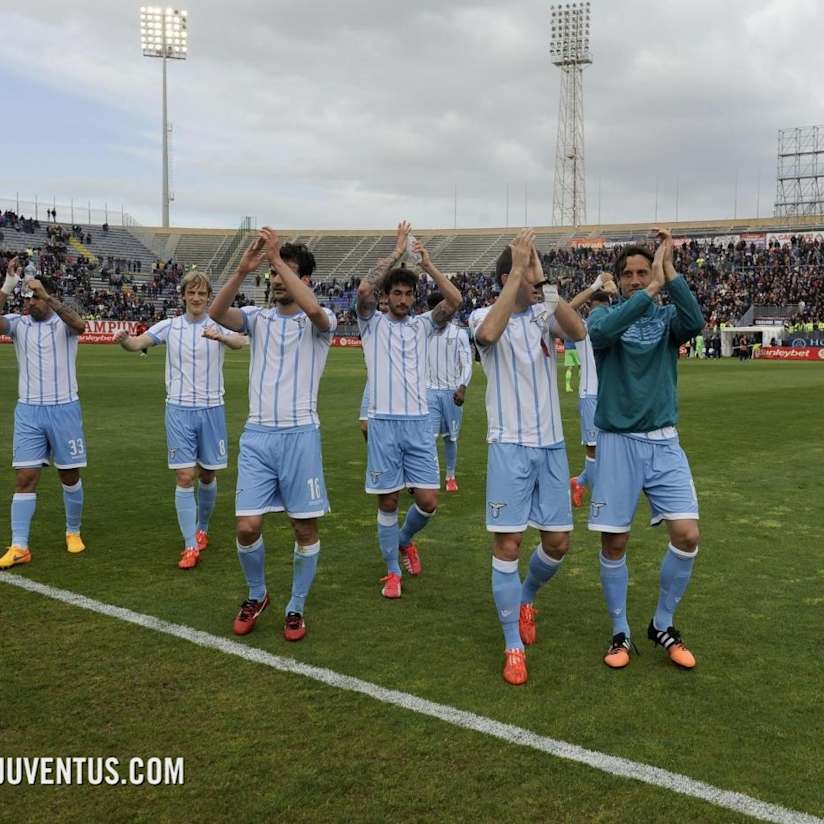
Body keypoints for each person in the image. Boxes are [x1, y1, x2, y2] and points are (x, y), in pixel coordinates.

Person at [469, 230, 586, 685]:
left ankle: (526, 597)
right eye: (526, 272)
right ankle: (512, 646)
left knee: (557, 544)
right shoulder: (485, 313)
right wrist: (517, 273)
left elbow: (578, 331)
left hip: (552, 445)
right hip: (508, 446)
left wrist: (544, 285)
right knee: (509, 545)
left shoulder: (544, 314)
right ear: (506, 276)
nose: (535, 283)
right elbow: (487, 334)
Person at [209, 228, 336, 642]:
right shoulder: (257, 318)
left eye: (288, 273)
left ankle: (296, 606)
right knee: (247, 528)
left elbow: (314, 309)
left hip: (300, 436)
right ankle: (257, 594)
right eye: (275, 274)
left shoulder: (322, 322)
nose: (278, 279)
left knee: (304, 530)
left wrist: (278, 257)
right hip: (258, 436)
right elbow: (215, 313)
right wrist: (244, 269)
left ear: (304, 279)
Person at [587, 228, 705, 670]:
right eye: (630, 274)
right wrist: (652, 289)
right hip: (617, 442)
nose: (638, 279)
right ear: (619, 281)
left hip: (663, 440)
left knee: (687, 534)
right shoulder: (604, 318)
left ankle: (662, 623)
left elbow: (695, 321)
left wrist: (670, 271)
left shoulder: (667, 320)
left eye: (644, 271)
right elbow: (601, 336)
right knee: (615, 542)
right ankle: (620, 632)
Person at [357, 221, 462, 599]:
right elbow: (365, 289)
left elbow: (456, 301)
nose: (403, 299)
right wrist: (396, 251)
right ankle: (390, 572)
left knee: (428, 501)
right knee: (387, 500)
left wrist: (429, 267)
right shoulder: (370, 324)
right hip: (384, 422)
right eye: (396, 293)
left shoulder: (423, 325)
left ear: (415, 297)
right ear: (387, 297)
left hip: (419, 424)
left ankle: (404, 541)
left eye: (408, 293)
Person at [113, 270, 246, 569]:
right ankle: (189, 546)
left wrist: (221, 336)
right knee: (186, 477)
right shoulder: (170, 326)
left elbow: (241, 342)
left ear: (209, 297)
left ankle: (202, 530)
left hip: (212, 409)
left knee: (209, 476)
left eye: (202, 293)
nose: (196, 298)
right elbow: (138, 344)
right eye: (192, 293)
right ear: (184, 295)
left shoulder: (218, 323)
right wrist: (124, 340)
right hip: (179, 410)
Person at [0, 259, 88, 568]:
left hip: (64, 408)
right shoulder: (17, 324)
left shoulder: (62, 324)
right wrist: (8, 287)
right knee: (25, 477)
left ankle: (73, 531)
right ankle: (19, 545)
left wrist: (47, 296)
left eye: (34, 298)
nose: (30, 304)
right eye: (26, 299)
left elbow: (81, 326)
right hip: (29, 410)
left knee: (69, 474)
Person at [567, 275, 618, 508]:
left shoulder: (613, 325)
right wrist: (597, 287)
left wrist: (606, 291)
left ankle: (581, 481)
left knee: (608, 447)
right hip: (591, 393)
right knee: (594, 447)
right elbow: (567, 309)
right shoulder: (582, 327)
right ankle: (599, 497)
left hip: (607, 392)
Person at [425, 291, 473, 492]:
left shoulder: (459, 333)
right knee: (429, 438)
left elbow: (467, 363)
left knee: (450, 437)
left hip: (451, 393)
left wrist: (462, 387)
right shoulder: (423, 331)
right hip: (428, 393)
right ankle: (429, 477)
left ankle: (450, 476)